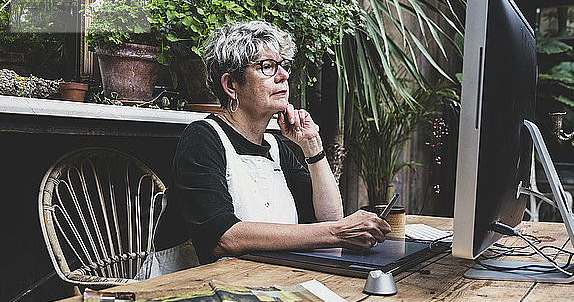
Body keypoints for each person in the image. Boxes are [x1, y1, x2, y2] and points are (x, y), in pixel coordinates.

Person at [136, 21, 390, 279]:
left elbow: (329, 219)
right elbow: (223, 238)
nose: (283, 76)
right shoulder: (203, 138)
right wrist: (337, 233)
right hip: (191, 295)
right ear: (231, 85)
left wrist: (312, 147)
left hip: (264, 285)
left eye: (284, 66)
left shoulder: (276, 147)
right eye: (267, 66)